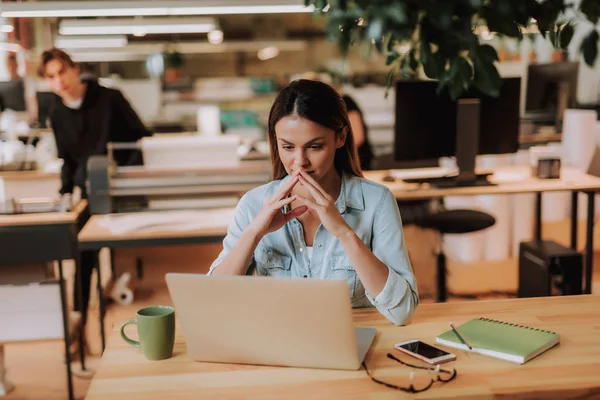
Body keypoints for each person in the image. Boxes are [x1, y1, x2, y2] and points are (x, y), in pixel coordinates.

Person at [209, 79, 418, 325]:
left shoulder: (377, 202)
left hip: (351, 340)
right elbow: (214, 303)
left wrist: (344, 232)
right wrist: (255, 232)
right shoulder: (253, 204)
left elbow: (403, 311)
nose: (300, 162)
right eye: (287, 147)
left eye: (315, 147)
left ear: (340, 138)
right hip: (278, 341)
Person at [37, 48, 150, 341]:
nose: (59, 80)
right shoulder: (57, 113)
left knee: (94, 247)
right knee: (81, 249)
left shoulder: (109, 98)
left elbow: (139, 139)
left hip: (122, 190)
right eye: (51, 77)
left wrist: (123, 178)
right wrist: (64, 194)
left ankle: (92, 313)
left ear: (75, 69)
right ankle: (80, 320)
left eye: (62, 71)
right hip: (88, 193)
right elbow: (68, 161)